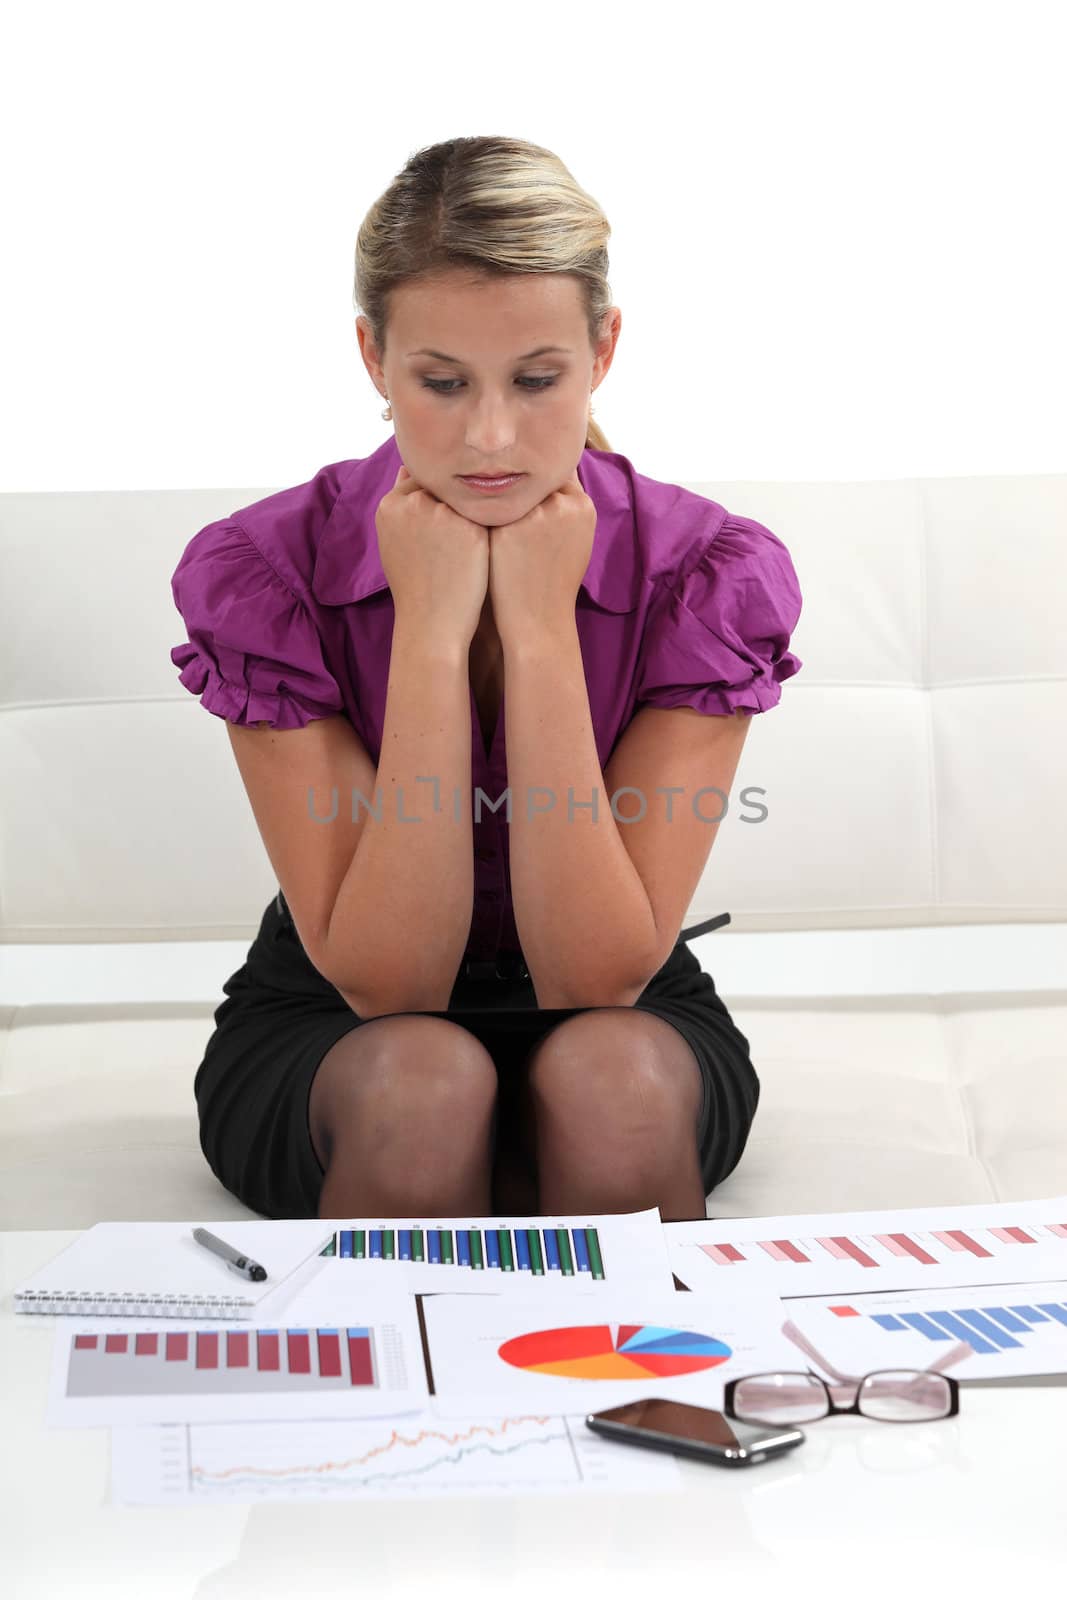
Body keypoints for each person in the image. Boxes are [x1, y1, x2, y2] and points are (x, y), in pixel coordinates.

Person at [169, 134, 804, 1225]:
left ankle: (661, 1396)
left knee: (614, 1085)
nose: (491, 436)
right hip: (340, 1026)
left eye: (537, 378)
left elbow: (598, 976)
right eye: (441, 382)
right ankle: (397, 1403)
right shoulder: (266, 571)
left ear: (602, 350)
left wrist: (542, 626)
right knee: (423, 1084)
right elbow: (389, 983)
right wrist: (425, 631)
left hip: (623, 1011)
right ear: (373, 357)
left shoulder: (704, 571)